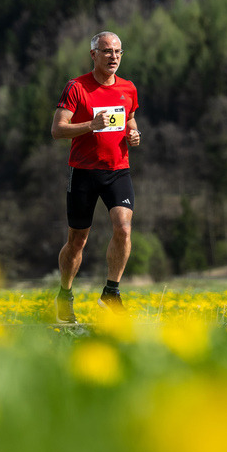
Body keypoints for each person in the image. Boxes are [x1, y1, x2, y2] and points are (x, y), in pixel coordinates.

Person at [51, 31, 141, 323]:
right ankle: (65, 294)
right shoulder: (76, 87)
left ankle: (111, 294)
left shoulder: (128, 88)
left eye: (117, 51)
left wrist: (133, 133)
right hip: (84, 172)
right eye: (106, 51)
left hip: (118, 170)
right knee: (77, 241)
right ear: (94, 55)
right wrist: (91, 124)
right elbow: (58, 130)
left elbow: (129, 117)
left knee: (124, 229)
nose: (113, 57)